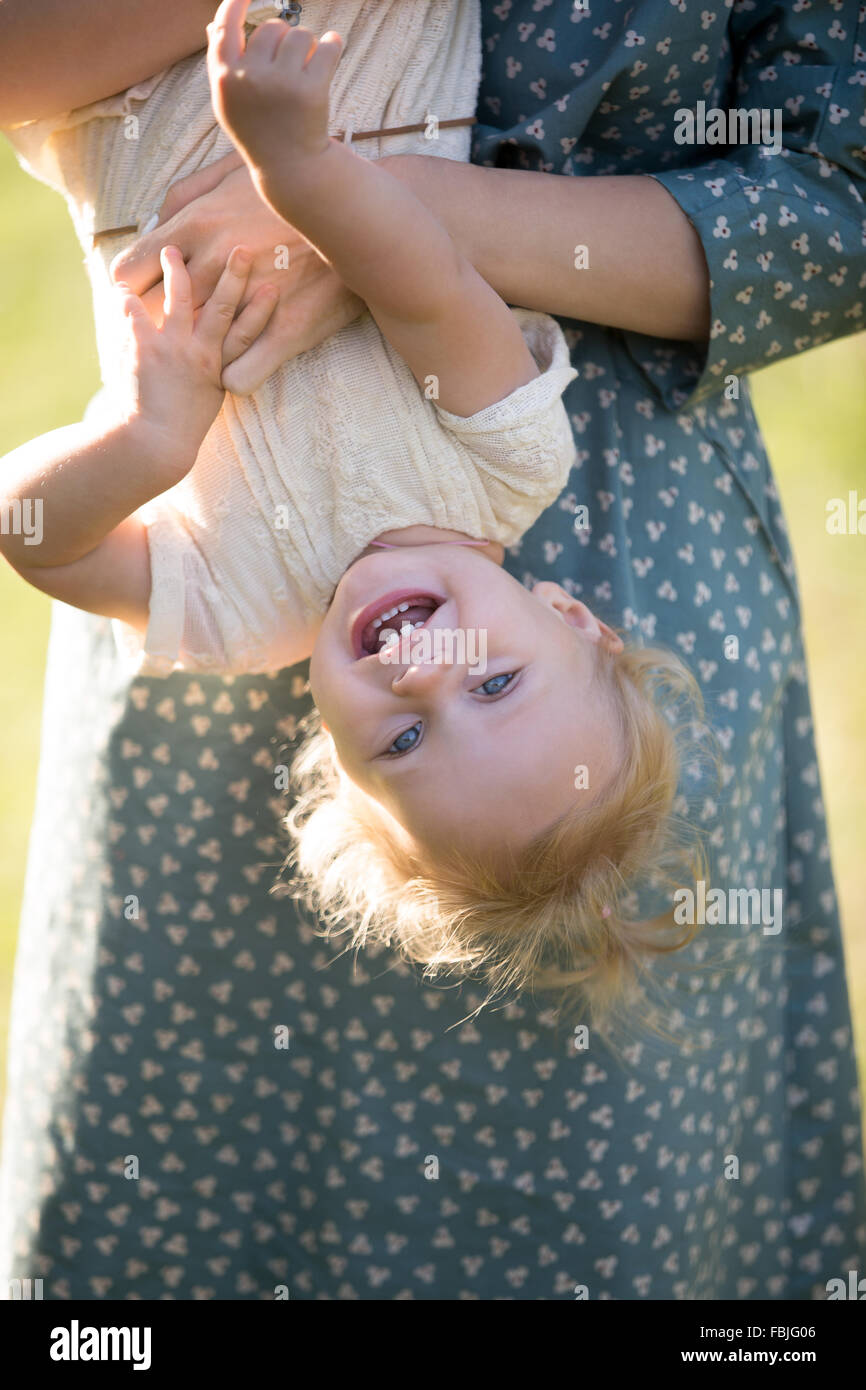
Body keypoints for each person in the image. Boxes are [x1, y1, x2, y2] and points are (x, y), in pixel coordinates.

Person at [1, 0, 863, 1299]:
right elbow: (419, 280)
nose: (421, 672)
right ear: (568, 612)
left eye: (403, 737)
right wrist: (306, 177)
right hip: (327, 97)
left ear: (335, 772)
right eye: (495, 679)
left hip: (144, 162)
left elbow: (34, 533)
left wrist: (147, 441)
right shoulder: (509, 460)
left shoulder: (250, 611)